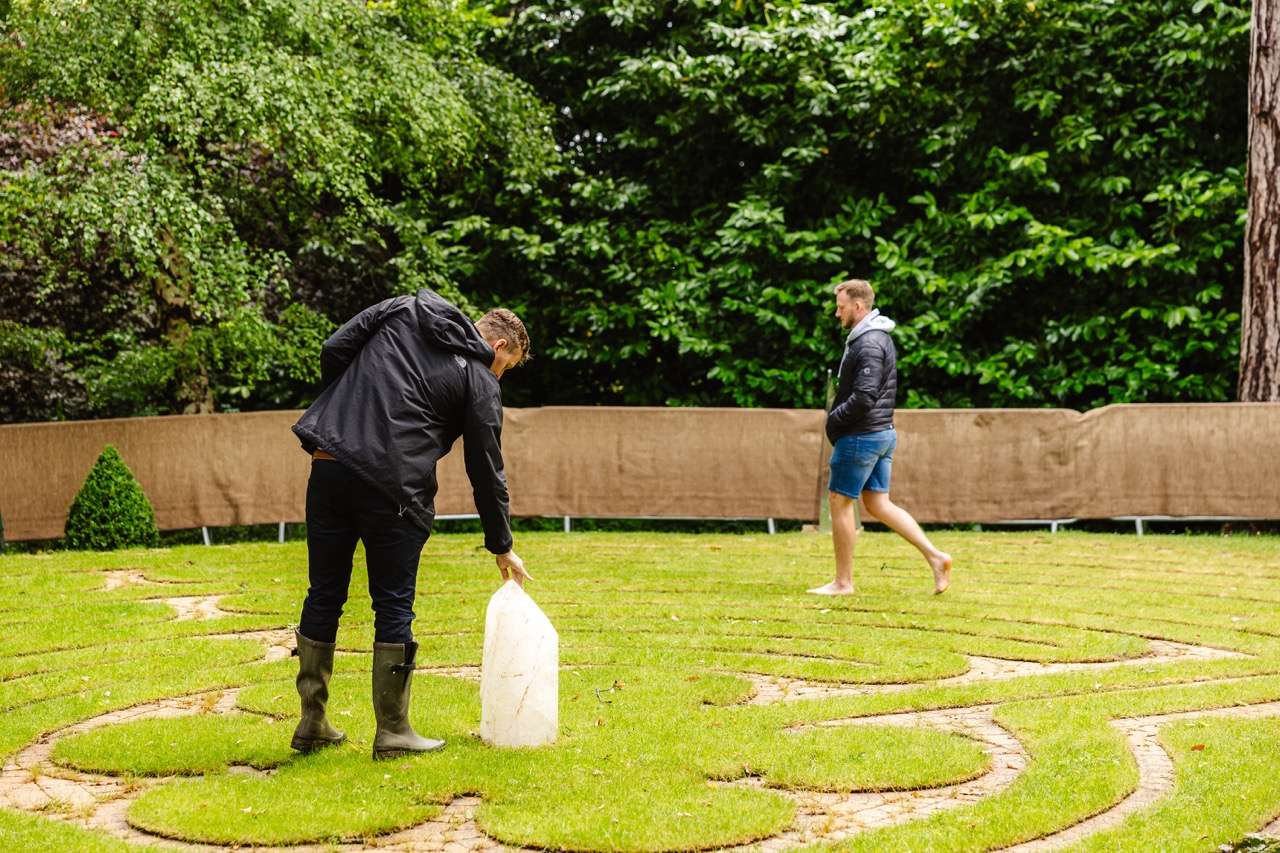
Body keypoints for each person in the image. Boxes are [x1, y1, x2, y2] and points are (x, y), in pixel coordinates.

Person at [288, 288, 532, 759]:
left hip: (330, 461)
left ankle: (312, 721)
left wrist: (354, 412)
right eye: (507, 366)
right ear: (499, 347)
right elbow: (486, 468)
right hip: (392, 489)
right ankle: (394, 731)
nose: (499, 374)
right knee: (393, 603)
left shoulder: (406, 310)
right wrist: (502, 545)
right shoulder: (481, 380)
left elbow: (334, 348)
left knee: (324, 592)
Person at [810, 278, 952, 597]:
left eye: (841, 307)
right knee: (877, 503)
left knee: (839, 501)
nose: (837, 313)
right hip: (881, 433)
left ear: (859, 307)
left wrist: (834, 421)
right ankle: (936, 557)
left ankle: (843, 583)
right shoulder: (872, 338)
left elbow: (864, 396)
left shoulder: (869, 342)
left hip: (863, 435)